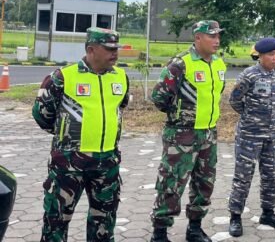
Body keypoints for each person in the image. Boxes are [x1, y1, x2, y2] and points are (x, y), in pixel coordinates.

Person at [32, 28, 129, 242]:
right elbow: (42, 114)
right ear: (91, 50)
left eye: (116, 48)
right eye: (109, 48)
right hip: (68, 164)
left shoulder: (121, 76)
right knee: (56, 222)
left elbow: (120, 106)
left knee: (104, 224)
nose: (115, 53)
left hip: (107, 163)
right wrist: (66, 136)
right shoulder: (63, 77)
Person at [149, 20, 227, 242]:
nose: (217, 40)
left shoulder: (219, 64)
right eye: (212, 36)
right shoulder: (181, 64)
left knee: (204, 184)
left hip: (208, 134)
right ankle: (160, 233)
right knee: (171, 184)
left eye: (218, 36)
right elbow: (159, 97)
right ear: (198, 38)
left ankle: (194, 228)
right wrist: (181, 116)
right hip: (182, 135)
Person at [227, 37, 275, 237]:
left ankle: (268, 213)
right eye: (271, 54)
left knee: (269, 176)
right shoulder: (249, 75)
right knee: (243, 177)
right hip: (249, 135)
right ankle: (235, 217)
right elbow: (234, 100)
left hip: (271, 136)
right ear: (260, 56)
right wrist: (250, 117)